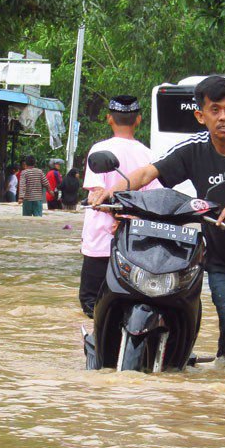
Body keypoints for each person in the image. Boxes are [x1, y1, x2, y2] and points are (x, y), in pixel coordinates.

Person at [88, 76, 225, 366]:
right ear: (200, 115)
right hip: (220, 261)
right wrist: (112, 192)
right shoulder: (193, 149)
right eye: (215, 110)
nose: (224, 117)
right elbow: (148, 173)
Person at [79, 95, 161, 317]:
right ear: (138, 120)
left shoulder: (99, 150)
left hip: (101, 241)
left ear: (109, 119)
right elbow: (153, 201)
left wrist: (116, 219)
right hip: (136, 241)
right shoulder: (150, 156)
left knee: (91, 301)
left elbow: (96, 194)